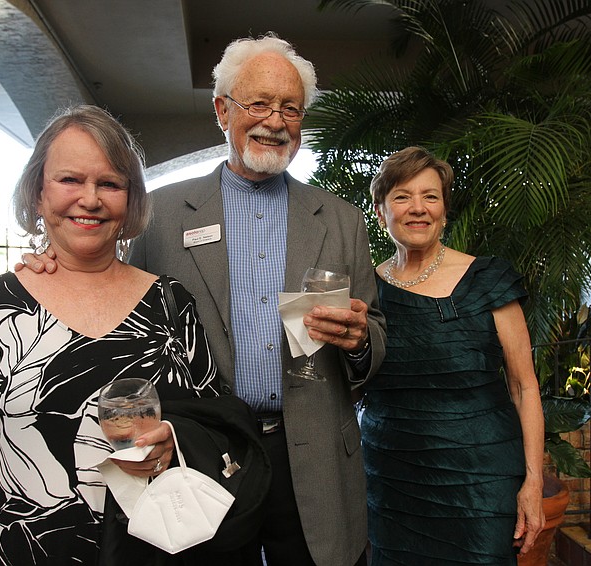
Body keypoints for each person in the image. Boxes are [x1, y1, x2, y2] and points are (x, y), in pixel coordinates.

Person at [20, 34, 386, 566]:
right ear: (222, 111)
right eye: (259, 103)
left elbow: (374, 341)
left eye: (291, 108)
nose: (276, 120)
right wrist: (49, 267)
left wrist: (357, 340)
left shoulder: (341, 221)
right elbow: (106, 285)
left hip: (314, 460)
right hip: (199, 450)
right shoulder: (161, 216)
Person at [0, 105, 221, 565]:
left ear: (131, 201)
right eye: (70, 180)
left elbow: (216, 425)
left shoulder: (171, 305)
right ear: (38, 194)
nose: (91, 199)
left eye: (109, 183)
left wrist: (175, 439)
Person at [363, 146, 545, 564]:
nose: (418, 208)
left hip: (481, 478)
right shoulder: (365, 292)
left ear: (444, 210)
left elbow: (524, 385)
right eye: (402, 197)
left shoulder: (488, 278)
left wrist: (532, 482)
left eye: (430, 196)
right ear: (380, 211)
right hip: (393, 477)